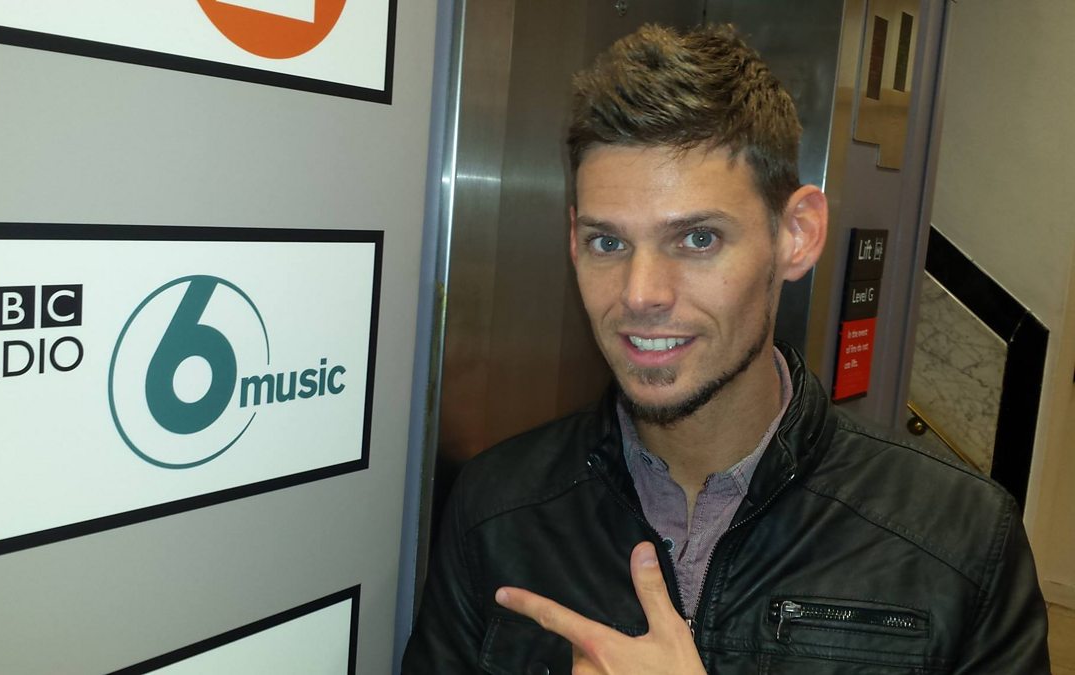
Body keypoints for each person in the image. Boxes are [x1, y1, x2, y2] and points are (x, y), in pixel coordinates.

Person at [402, 23, 1050, 674]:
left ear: (797, 235)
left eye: (698, 239)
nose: (641, 294)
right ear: (574, 241)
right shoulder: (497, 507)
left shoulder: (958, 536)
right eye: (609, 242)